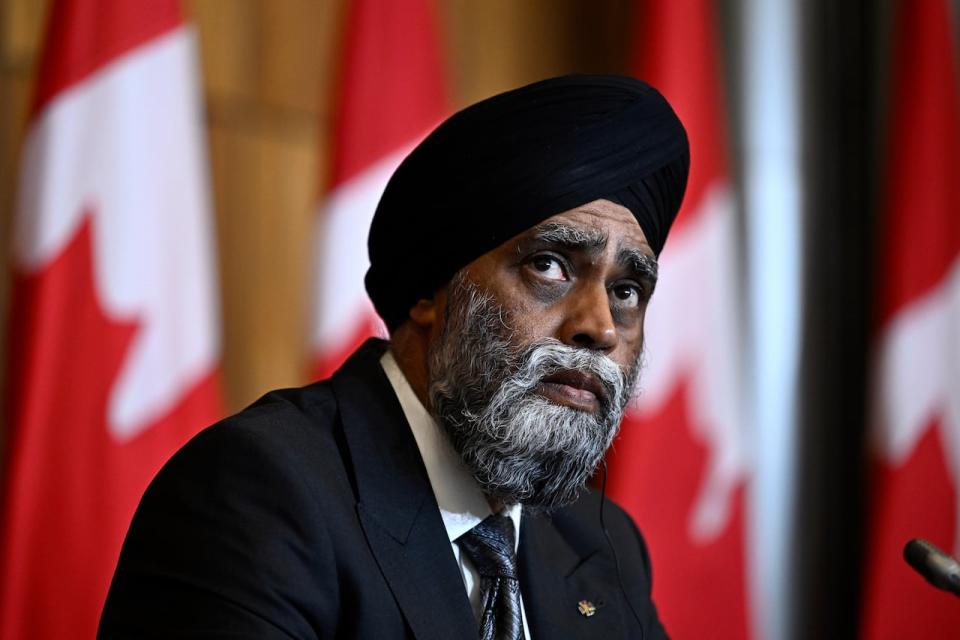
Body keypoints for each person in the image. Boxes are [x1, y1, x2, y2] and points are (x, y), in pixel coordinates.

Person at [98, 74, 689, 640]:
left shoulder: (598, 545)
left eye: (626, 291)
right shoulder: (260, 494)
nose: (600, 327)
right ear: (432, 292)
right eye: (549, 266)